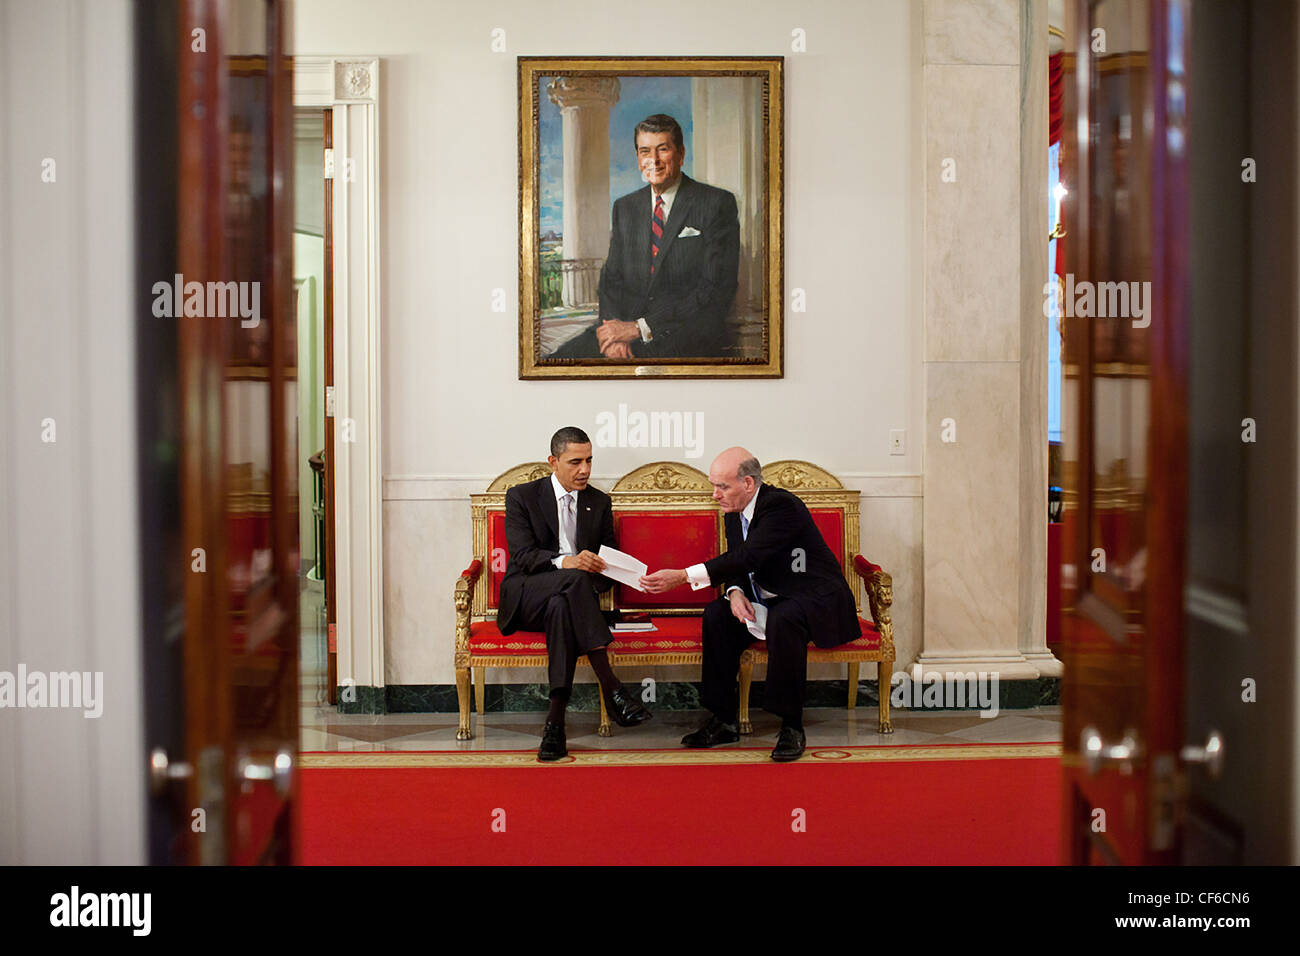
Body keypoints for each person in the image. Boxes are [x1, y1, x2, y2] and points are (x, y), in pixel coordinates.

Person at [640, 447, 860, 761]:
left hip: (813, 595)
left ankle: (792, 725)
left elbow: (749, 555)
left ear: (748, 483)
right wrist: (734, 592)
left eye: (722, 486)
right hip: (766, 595)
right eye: (713, 485)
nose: (715, 495)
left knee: (786, 618)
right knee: (717, 614)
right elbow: (738, 565)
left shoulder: (782, 506)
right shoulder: (734, 510)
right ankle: (723, 719)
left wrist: (682, 576)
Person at [497, 427, 652, 760]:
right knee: (572, 580)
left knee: (562, 605)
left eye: (590, 460)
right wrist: (568, 562)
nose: (585, 470)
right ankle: (613, 688)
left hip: (566, 602)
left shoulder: (598, 502)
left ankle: (555, 726)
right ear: (553, 461)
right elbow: (522, 557)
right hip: (526, 595)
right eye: (575, 462)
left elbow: (608, 564)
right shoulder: (522, 497)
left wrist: (597, 569)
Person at [550, 114, 740, 360]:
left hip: (684, 336)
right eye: (645, 151)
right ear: (638, 158)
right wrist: (613, 334)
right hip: (624, 334)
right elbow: (611, 281)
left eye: (663, 149)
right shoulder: (625, 207)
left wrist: (639, 328)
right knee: (555, 362)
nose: (654, 161)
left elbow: (714, 289)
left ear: (681, 154)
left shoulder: (716, 203)